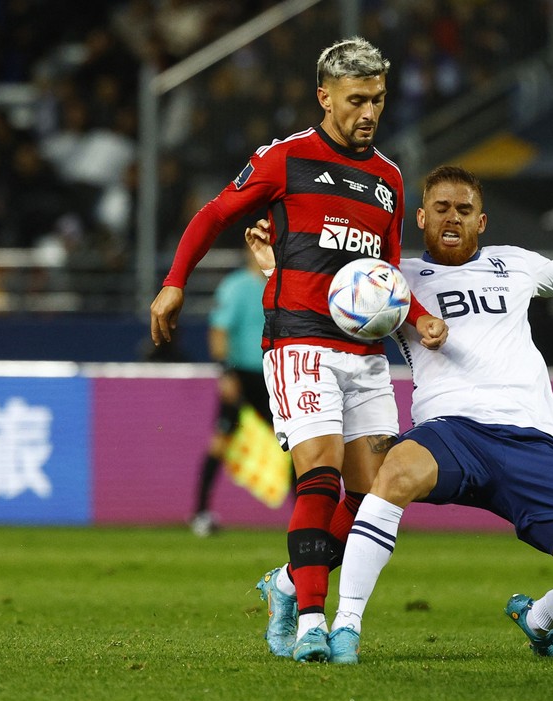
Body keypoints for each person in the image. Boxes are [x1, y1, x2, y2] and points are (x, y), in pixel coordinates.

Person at [245, 165, 553, 663]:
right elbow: (327, 308)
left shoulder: (517, 265)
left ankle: (538, 617)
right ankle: (345, 627)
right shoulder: (393, 280)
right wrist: (272, 269)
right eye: (441, 209)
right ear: (420, 218)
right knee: (391, 472)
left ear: (482, 222)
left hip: (532, 443)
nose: (451, 218)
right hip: (451, 433)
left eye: (464, 210)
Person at [148, 37, 448, 663]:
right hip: (299, 341)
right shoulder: (285, 160)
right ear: (325, 96)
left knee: (371, 500)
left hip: (364, 354)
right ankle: (313, 623)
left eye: (380, 100)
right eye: (358, 99)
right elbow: (212, 215)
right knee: (319, 475)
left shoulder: (388, 180)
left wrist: (417, 318)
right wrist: (175, 282)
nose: (370, 112)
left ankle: (287, 584)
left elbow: (387, 275)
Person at [189, 246, 271, 537]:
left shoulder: (282, 283)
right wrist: (225, 372)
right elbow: (219, 330)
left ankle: (308, 515)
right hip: (242, 374)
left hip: (275, 377)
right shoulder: (236, 287)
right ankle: (200, 513)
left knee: (298, 446)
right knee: (221, 442)